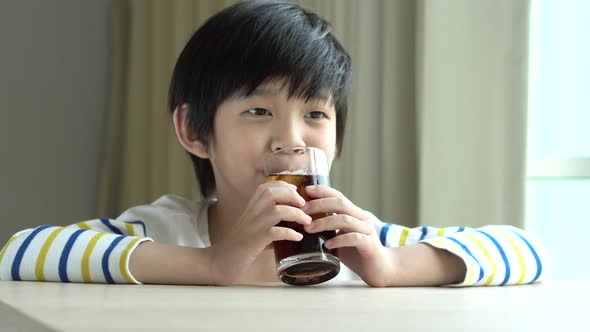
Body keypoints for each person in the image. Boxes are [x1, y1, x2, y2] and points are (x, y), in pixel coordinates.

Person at [0, 0, 546, 287]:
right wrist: (213, 264)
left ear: (335, 142)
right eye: (258, 111)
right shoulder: (165, 231)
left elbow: (529, 252)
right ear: (195, 131)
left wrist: (395, 267)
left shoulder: (357, 243)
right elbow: (19, 252)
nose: (290, 138)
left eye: (314, 114)